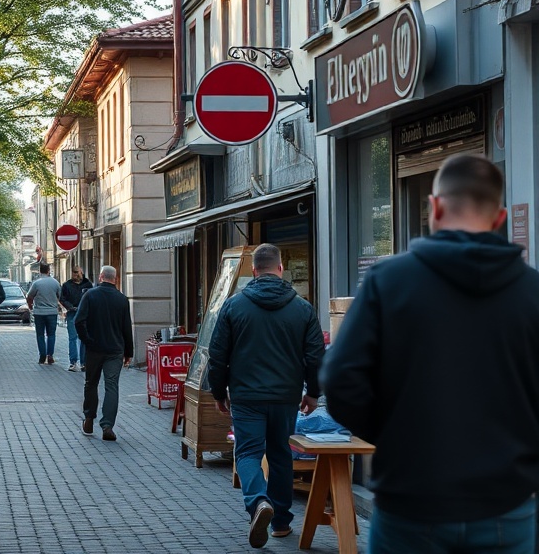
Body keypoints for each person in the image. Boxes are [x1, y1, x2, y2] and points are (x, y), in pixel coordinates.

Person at [321, 154, 539, 554]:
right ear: (499, 217)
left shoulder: (388, 282)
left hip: (410, 503)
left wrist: (395, 439)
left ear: (435, 207)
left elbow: (339, 379)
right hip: (508, 506)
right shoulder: (532, 293)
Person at [207, 242, 324, 549]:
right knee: (281, 455)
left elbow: (218, 355)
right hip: (286, 397)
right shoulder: (303, 308)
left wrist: (219, 392)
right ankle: (282, 523)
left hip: (246, 397)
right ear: (281, 269)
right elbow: (315, 356)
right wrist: (313, 393)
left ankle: (258, 501)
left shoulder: (234, 305)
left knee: (247, 453)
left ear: (254, 271)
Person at [74, 265, 133, 442]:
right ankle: (107, 425)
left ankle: (89, 419)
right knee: (111, 386)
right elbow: (126, 328)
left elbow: (79, 321)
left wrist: (87, 340)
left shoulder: (90, 295)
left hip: (94, 349)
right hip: (115, 350)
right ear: (115, 278)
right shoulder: (122, 299)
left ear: (101, 277)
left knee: (91, 383)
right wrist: (128, 352)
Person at [26, 262, 61, 365]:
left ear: (40, 271)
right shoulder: (55, 283)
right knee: (51, 334)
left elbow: (30, 296)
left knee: (40, 335)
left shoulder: (36, 283)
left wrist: (31, 306)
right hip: (52, 312)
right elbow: (60, 296)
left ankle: (42, 355)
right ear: (48, 270)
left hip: (39, 313)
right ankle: (50, 355)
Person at [60, 265, 92, 372]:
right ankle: (73, 362)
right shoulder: (66, 285)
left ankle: (84, 363)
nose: (76, 274)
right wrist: (70, 307)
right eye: (74, 272)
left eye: (77, 272)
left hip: (85, 315)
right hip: (72, 314)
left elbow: (92, 298)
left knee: (84, 338)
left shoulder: (88, 284)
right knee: (72, 338)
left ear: (82, 272)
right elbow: (62, 299)